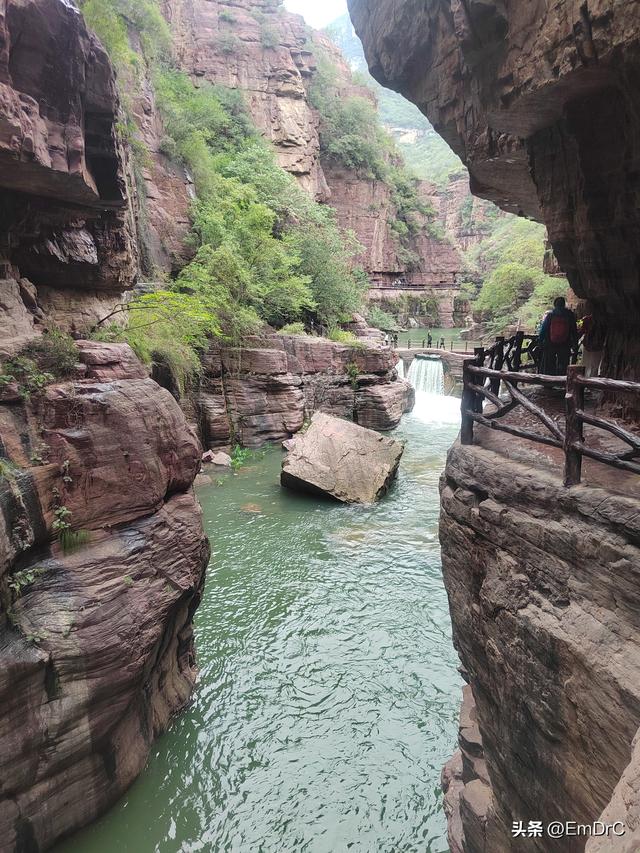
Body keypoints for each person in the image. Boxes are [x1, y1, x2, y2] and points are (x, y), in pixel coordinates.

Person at [539, 297, 578, 376]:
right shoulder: (570, 315)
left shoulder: (551, 315)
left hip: (550, 343)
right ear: (564, 304)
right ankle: (562, 381)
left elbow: (543, 329)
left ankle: (548, 382)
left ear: (555, 304)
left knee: (549, 363)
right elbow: (574, 330)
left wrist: (540, 340)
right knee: (563, 363)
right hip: (565, 343)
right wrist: (575, 343)